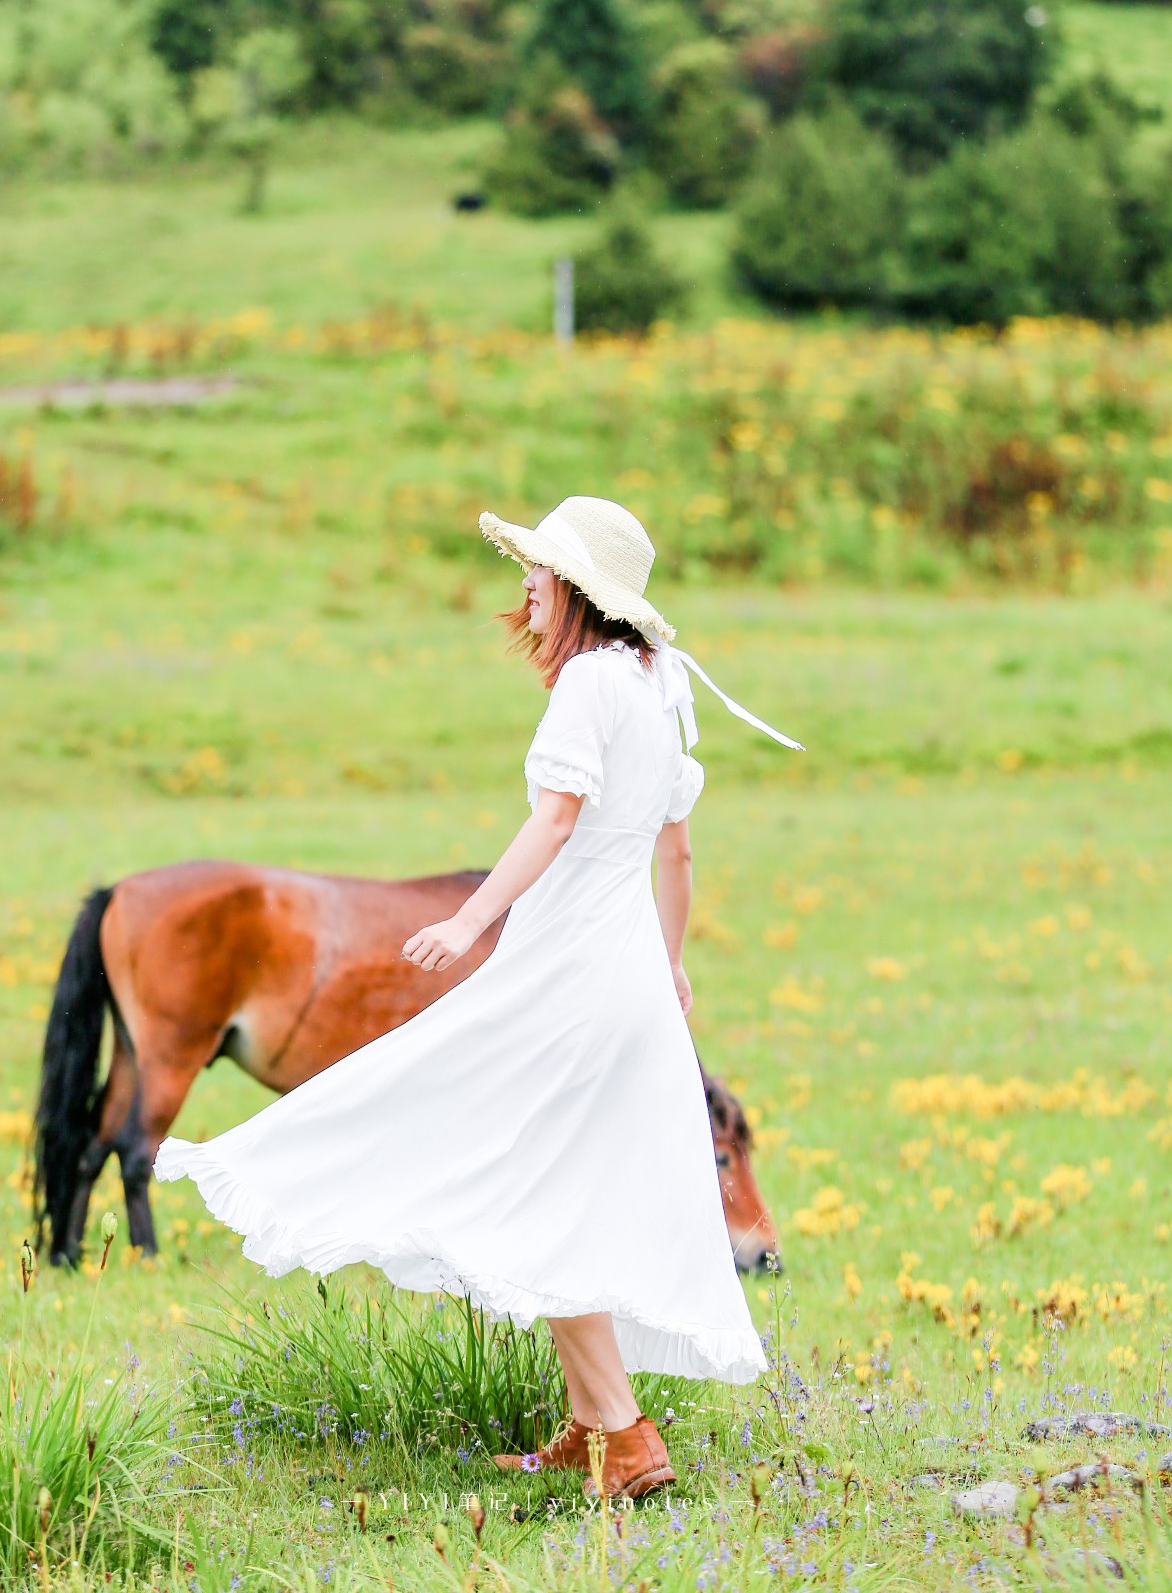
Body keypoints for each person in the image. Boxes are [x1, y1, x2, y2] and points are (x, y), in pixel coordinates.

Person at [156, 495, 800, 1500]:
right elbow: (675, 846)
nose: (527, 586)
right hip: (623, 969)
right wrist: (669, 963)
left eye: (540, 572)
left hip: (569, 972)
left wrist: (468, 920)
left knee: (530, 1185)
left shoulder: (589, 683)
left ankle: (625, 1434)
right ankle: (595, 1427)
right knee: (550, 1186)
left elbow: (553, 822)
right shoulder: (652, 680)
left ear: (579, 590)